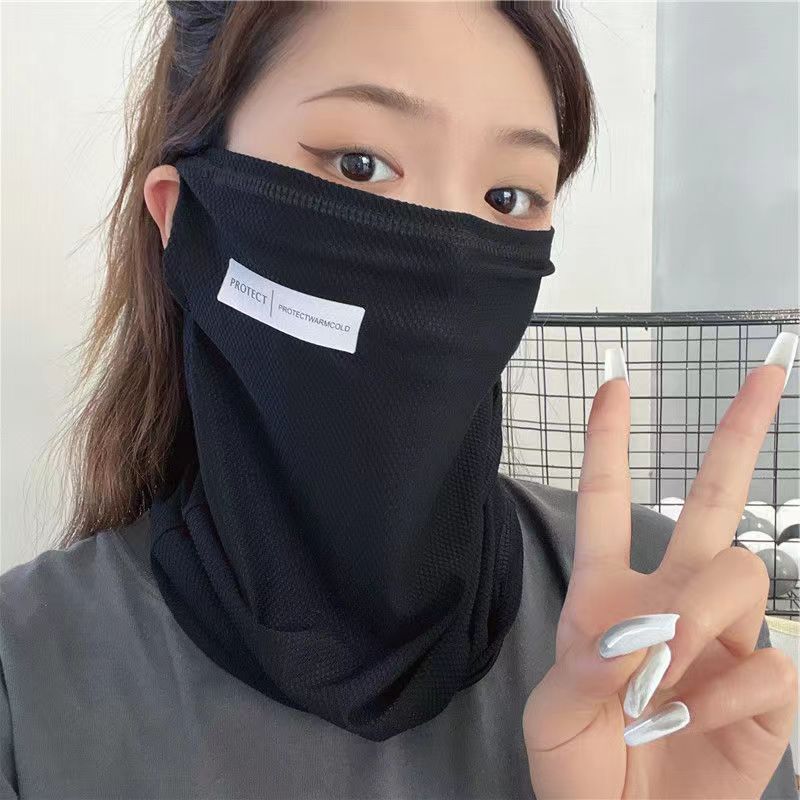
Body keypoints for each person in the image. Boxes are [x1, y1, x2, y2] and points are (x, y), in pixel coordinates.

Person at [0, 2, 796, 798]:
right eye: (359, 165)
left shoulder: (662, 621)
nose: (448, 254)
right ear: (186, 217)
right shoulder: (25, 679)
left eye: (508, 198)